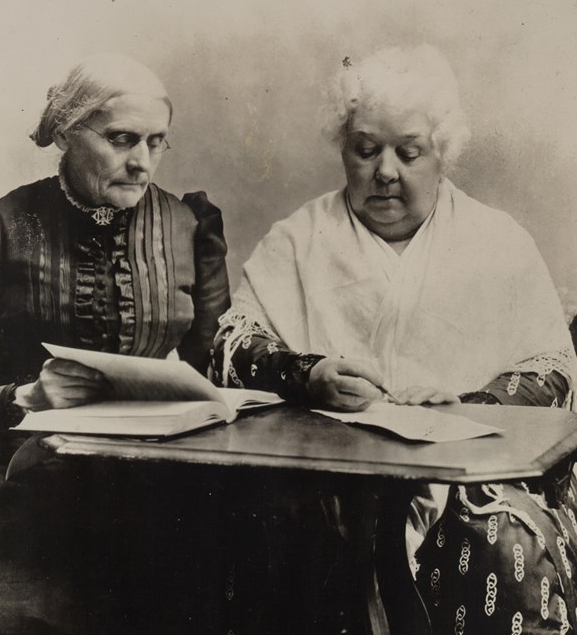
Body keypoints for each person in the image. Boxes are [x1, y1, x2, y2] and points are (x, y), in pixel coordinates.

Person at [213, 45, 577, 634]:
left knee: (500, 538)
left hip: (471, 479)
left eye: (408, 152)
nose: (385, 171)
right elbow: (234, 342)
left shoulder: (497, 241)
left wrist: (471, 407)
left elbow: (553, 368)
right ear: (344, 150)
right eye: (365, 150)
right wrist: (308, 373)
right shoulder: (301, 238)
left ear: (442, 155)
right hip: (324, 480)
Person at [0, 53, 230, 634]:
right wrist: (23, 397)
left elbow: (221, 362)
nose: (141, 162)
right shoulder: (5, 221)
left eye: (156, 142)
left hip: (162, 495)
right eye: (121, 139)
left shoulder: (189, 224)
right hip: (23, 494)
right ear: (69, 132)